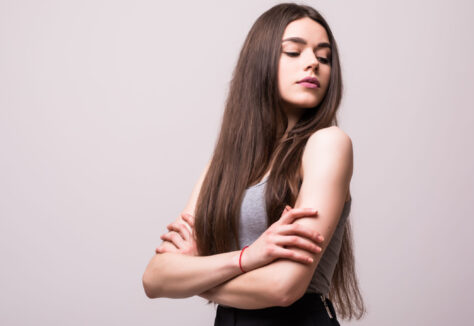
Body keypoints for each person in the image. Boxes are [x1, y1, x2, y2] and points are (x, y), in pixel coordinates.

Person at [142, 3, 365, 325]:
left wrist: (195, 279)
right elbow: (155, 278)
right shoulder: (224, 165)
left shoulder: (328, 144)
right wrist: (251, 257)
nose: (313, 63)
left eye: (324, 56)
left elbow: (283, 287)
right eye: (294, 52)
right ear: (259, 62)